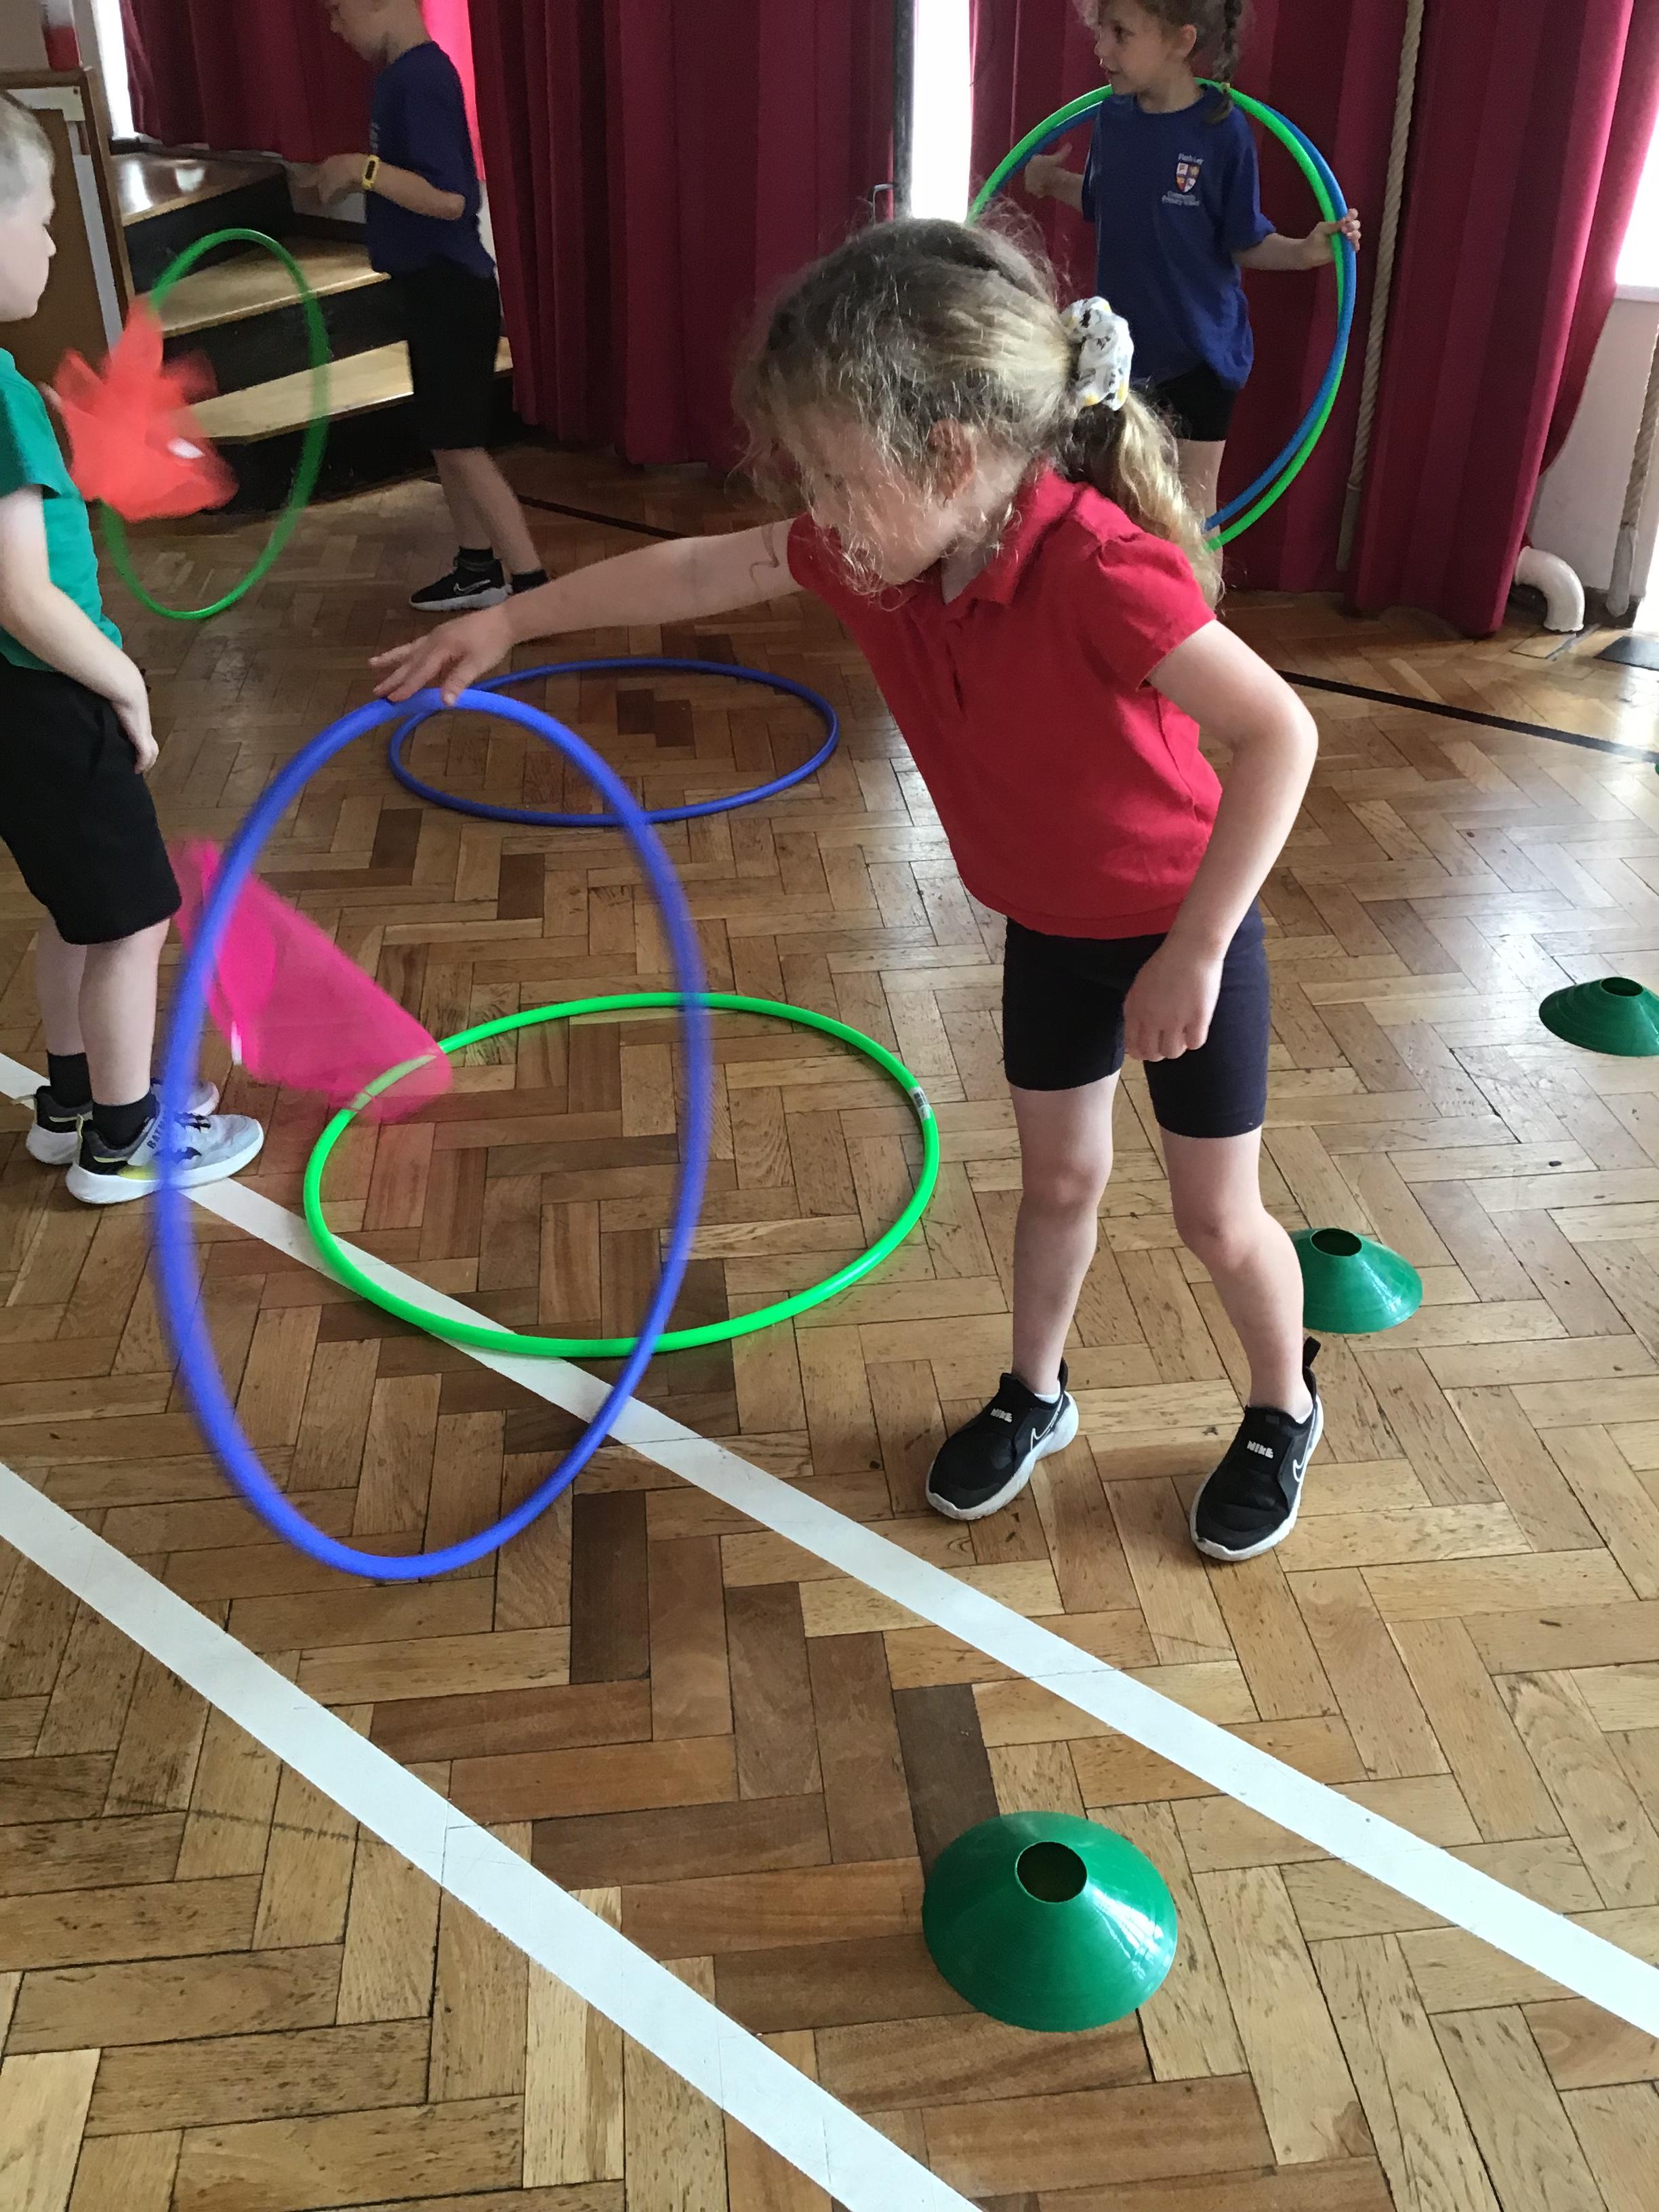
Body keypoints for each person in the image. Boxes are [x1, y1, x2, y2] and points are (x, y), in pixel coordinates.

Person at [371, 219, 1326, 1564]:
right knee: (1058, 1181)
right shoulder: (882, 551)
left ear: (947, 457)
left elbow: (1280, 734)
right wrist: (512, 617)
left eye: (833, 475)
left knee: (1214, 1215)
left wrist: (1201, 946)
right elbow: (704, 568)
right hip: (1050, 930)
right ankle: (1036, 1390)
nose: (814, 511)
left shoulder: (1099, 569)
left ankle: (1283, 1402)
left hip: (1181, 929)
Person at [0, 96, 264, 1204]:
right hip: (49, 693)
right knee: (134, 919)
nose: (55, 246)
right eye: (42, 221)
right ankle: (124, 1138)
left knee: (80, 909)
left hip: (14, 707)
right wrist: (125, 683)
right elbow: (21, 594)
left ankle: (74, 1097)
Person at [1023, 0, 1361, 525]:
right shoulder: (1113, 118)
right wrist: (1048, 181)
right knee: (1119, 504)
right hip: (1121, 349)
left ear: (1181, 42)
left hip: (1200, 353)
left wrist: (1303, 251)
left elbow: (1243, 240)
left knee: (1192, 513)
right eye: (1100, 30)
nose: (1101, 48)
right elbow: (1105, 199)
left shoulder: (1221, 131)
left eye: (1120, 33)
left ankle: (1193, 585)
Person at [316, 0, 548, 615]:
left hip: (453, 293)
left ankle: (532, 585)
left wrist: (360, 170)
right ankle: (477, 570)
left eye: (338, 10)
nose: (334, 27)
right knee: (446, 440)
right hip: (431, 290)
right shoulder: (399, 76)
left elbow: (451, 199)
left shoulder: (421, 79)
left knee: (462, 445)